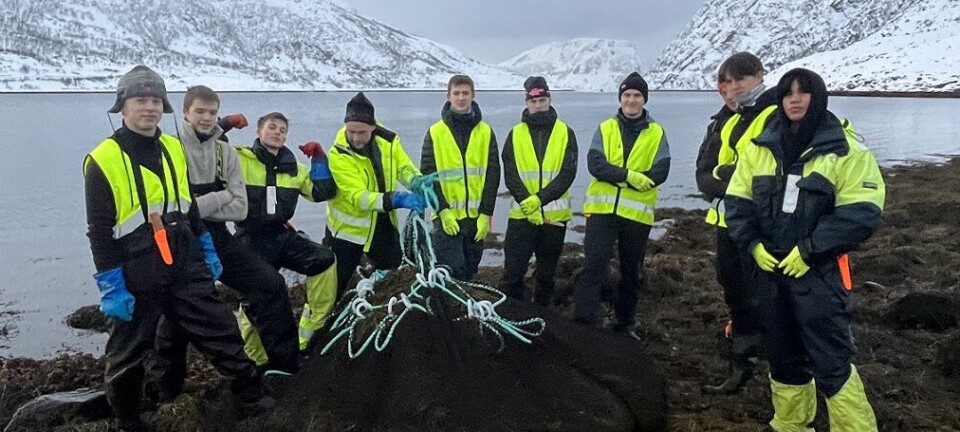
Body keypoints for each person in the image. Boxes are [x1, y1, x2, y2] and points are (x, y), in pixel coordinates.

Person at [83, 66, 273, 432]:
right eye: (141, 100)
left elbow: (188, 204)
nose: (150, 108)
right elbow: (99, 232)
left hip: (185, 259)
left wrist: (206, 245)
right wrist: (111, 285)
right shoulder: (101, 160)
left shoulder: (173, 147)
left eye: (156, 101)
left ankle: (252, 397)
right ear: (123, 106)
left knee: (220, 329)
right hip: (137, 268)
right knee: (128, 354)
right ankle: (129, 420)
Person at [725, 68, 884, 431]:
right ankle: (790, 424)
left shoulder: (845, 149)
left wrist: (811, 250)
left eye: (803, 92)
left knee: (832, 361)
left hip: (820, 275)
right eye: (787, 93)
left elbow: (862, 213)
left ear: (819, 97)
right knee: (782, 357)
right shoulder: (759, 147)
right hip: (771, 273)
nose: (794, 99)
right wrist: (752, 244)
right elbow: (737, 203)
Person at [151, 86, 300, 405]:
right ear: (186, 113)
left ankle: (283, 365)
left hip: (218, 236)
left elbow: (240, 208)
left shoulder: (224, 151)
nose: (206, 118)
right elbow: (173, 208)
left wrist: (199, 204)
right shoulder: (170, 149)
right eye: (200, 112)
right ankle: (166, 390)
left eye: (212, 113)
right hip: (181, 240)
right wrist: (220, 197)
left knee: (270, 284)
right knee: (175, 315)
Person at [696, 52, 776, 395]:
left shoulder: (775, 114)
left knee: (765, 294)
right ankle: (741, 366)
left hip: (760, 223)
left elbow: (762, 173)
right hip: (726, 221)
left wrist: (724, 176)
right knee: (733, 288)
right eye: (726, 83)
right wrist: (725, 177)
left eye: (740, 80)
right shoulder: (725, 120)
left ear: (759, 76)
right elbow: (704, 175)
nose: (733, 89)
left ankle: (778, 370)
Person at [234, 112, 338, 356]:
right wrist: (226, 124)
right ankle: (254, 357)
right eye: (272, 127)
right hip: (250, 237)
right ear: (259, 131)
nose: (277, 132)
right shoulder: (239, 158)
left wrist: (319, 160)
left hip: (281, 235)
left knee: (324, 260)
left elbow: (322, 192)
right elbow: (208, 155)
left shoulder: (295, 169)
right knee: (253, 299)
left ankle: (311, 331)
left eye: (282, 130)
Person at [574, 71, 671, 335]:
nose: (631, 100)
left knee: (631, 271)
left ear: (644, 99)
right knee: (594, 265)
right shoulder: (605, 128)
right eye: (627, 94)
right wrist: (628, 176)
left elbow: (660, 172)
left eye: (637, 95)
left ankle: (625, 322)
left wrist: (618, 178)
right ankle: (584, 322)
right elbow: (595, 164)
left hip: (636, 216)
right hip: (602, 211)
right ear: (620, 98)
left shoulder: (656, 133)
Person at [325, 92, 426, 295]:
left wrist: (416, 180)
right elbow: (359, 197)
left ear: (373, 127)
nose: (355, 138)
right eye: (351, 131)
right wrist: (397, 199)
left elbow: (403, 167)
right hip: (348, 237)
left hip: (383, 227)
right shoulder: (338, 154)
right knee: (337, 291)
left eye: (361, 132)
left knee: (392, 282)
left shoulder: (389, 142)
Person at [500, 76, 578, 306]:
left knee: (546, 275)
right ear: (527, 102)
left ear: (549, 100)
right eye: (533, 101)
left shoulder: (566, 132)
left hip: (554, 217)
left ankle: (543, 316)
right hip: (522, 215)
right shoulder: (515, 134)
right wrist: (527, 202)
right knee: (513, 272)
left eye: (542, 100)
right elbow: (511, 174)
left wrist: (540, 200)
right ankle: (513, 314)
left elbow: (567, 174)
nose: (538, 105)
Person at [420, 74, 500, 281]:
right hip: (447, 219)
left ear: (473, 95)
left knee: (471, 270)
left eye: (465, 93)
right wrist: (442, 210)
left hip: (475, 218)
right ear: (448, 96)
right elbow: (427, 175)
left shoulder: (486, 132)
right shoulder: (435, 132)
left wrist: (486, 213)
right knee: (451, 271)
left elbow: (492, 174)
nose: (461, 98)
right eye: (456, 93)